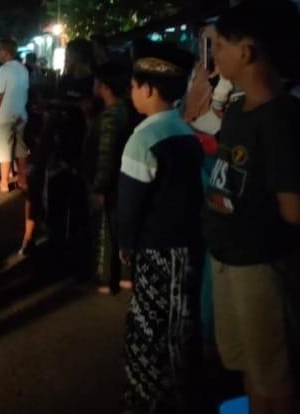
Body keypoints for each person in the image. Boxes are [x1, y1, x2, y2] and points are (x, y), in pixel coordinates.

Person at [203, 0, 300, 414]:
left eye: (220, 45)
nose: (214, 55)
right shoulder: (239, 109)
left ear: (246, 51)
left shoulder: (282, 118)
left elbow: (293, 210)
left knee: (276, 380)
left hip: (261, 268)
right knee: (249, 368)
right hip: (229, 259)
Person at [118, 49, 204, 413]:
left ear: (149, 89)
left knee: (152, 331)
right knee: (179, 327)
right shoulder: (187, 132)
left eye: (134, 86)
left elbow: (130, 206)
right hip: (188, 247)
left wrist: (125, 245)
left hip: (156, 250)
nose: (132, 93)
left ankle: (153, 400)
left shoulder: (143, 139)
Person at [82, 63, 133, 294]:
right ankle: (124, 276)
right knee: (119, 227)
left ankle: (106, 279)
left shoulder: (111, 116)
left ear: (105, 87)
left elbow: (106, 153)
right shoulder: (124, 111)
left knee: (106, 230)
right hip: (121, 182)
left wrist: (99, 187)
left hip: (109, 185)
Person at [0, 37, 30, 192]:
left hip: (4, 116)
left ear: (5, 53)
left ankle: (4, 183)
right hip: (21, 114)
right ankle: (23, 180)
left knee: (4, 149)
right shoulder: (23, 69)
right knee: (21, 149)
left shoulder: (2, 71)